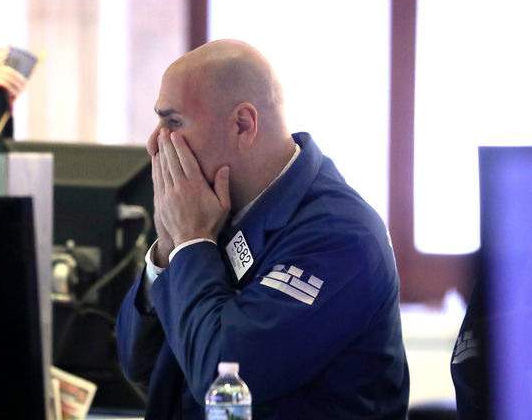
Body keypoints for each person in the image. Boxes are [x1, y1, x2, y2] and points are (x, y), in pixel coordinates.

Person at [116, 39, 409, 419]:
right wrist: (167, 250)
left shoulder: (339, 236)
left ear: (243, 124)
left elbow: (224, 383)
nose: (155, 142)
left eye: (173, 122)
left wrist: (191, 242)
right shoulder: (215, 212)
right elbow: (137, 362)